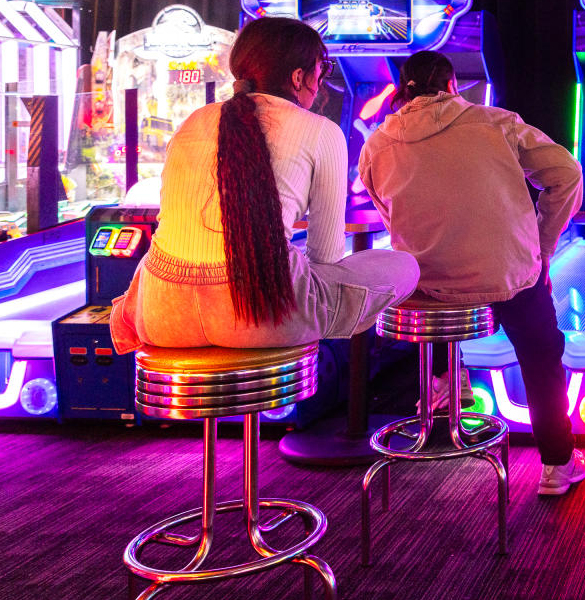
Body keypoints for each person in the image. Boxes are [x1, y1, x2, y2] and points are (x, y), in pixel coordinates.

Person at [111, 17, 419, 353]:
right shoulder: (321, 131)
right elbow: (326, 257)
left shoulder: (193, 121)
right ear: (298, 76)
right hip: (261, 318)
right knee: (405, 264)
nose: (321, 82)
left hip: (160, 316)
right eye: (322, 70)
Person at [358, 50, 585, 496]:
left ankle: (443, 393)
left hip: (427, 288)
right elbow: (567, 174)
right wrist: (540, 248)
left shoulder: (376, 142)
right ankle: (557, 463)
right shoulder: (495, 121)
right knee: (541, 350)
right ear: (451, 87)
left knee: (431, 295)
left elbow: (389, 213)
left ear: (402, 90)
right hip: (506, 275)